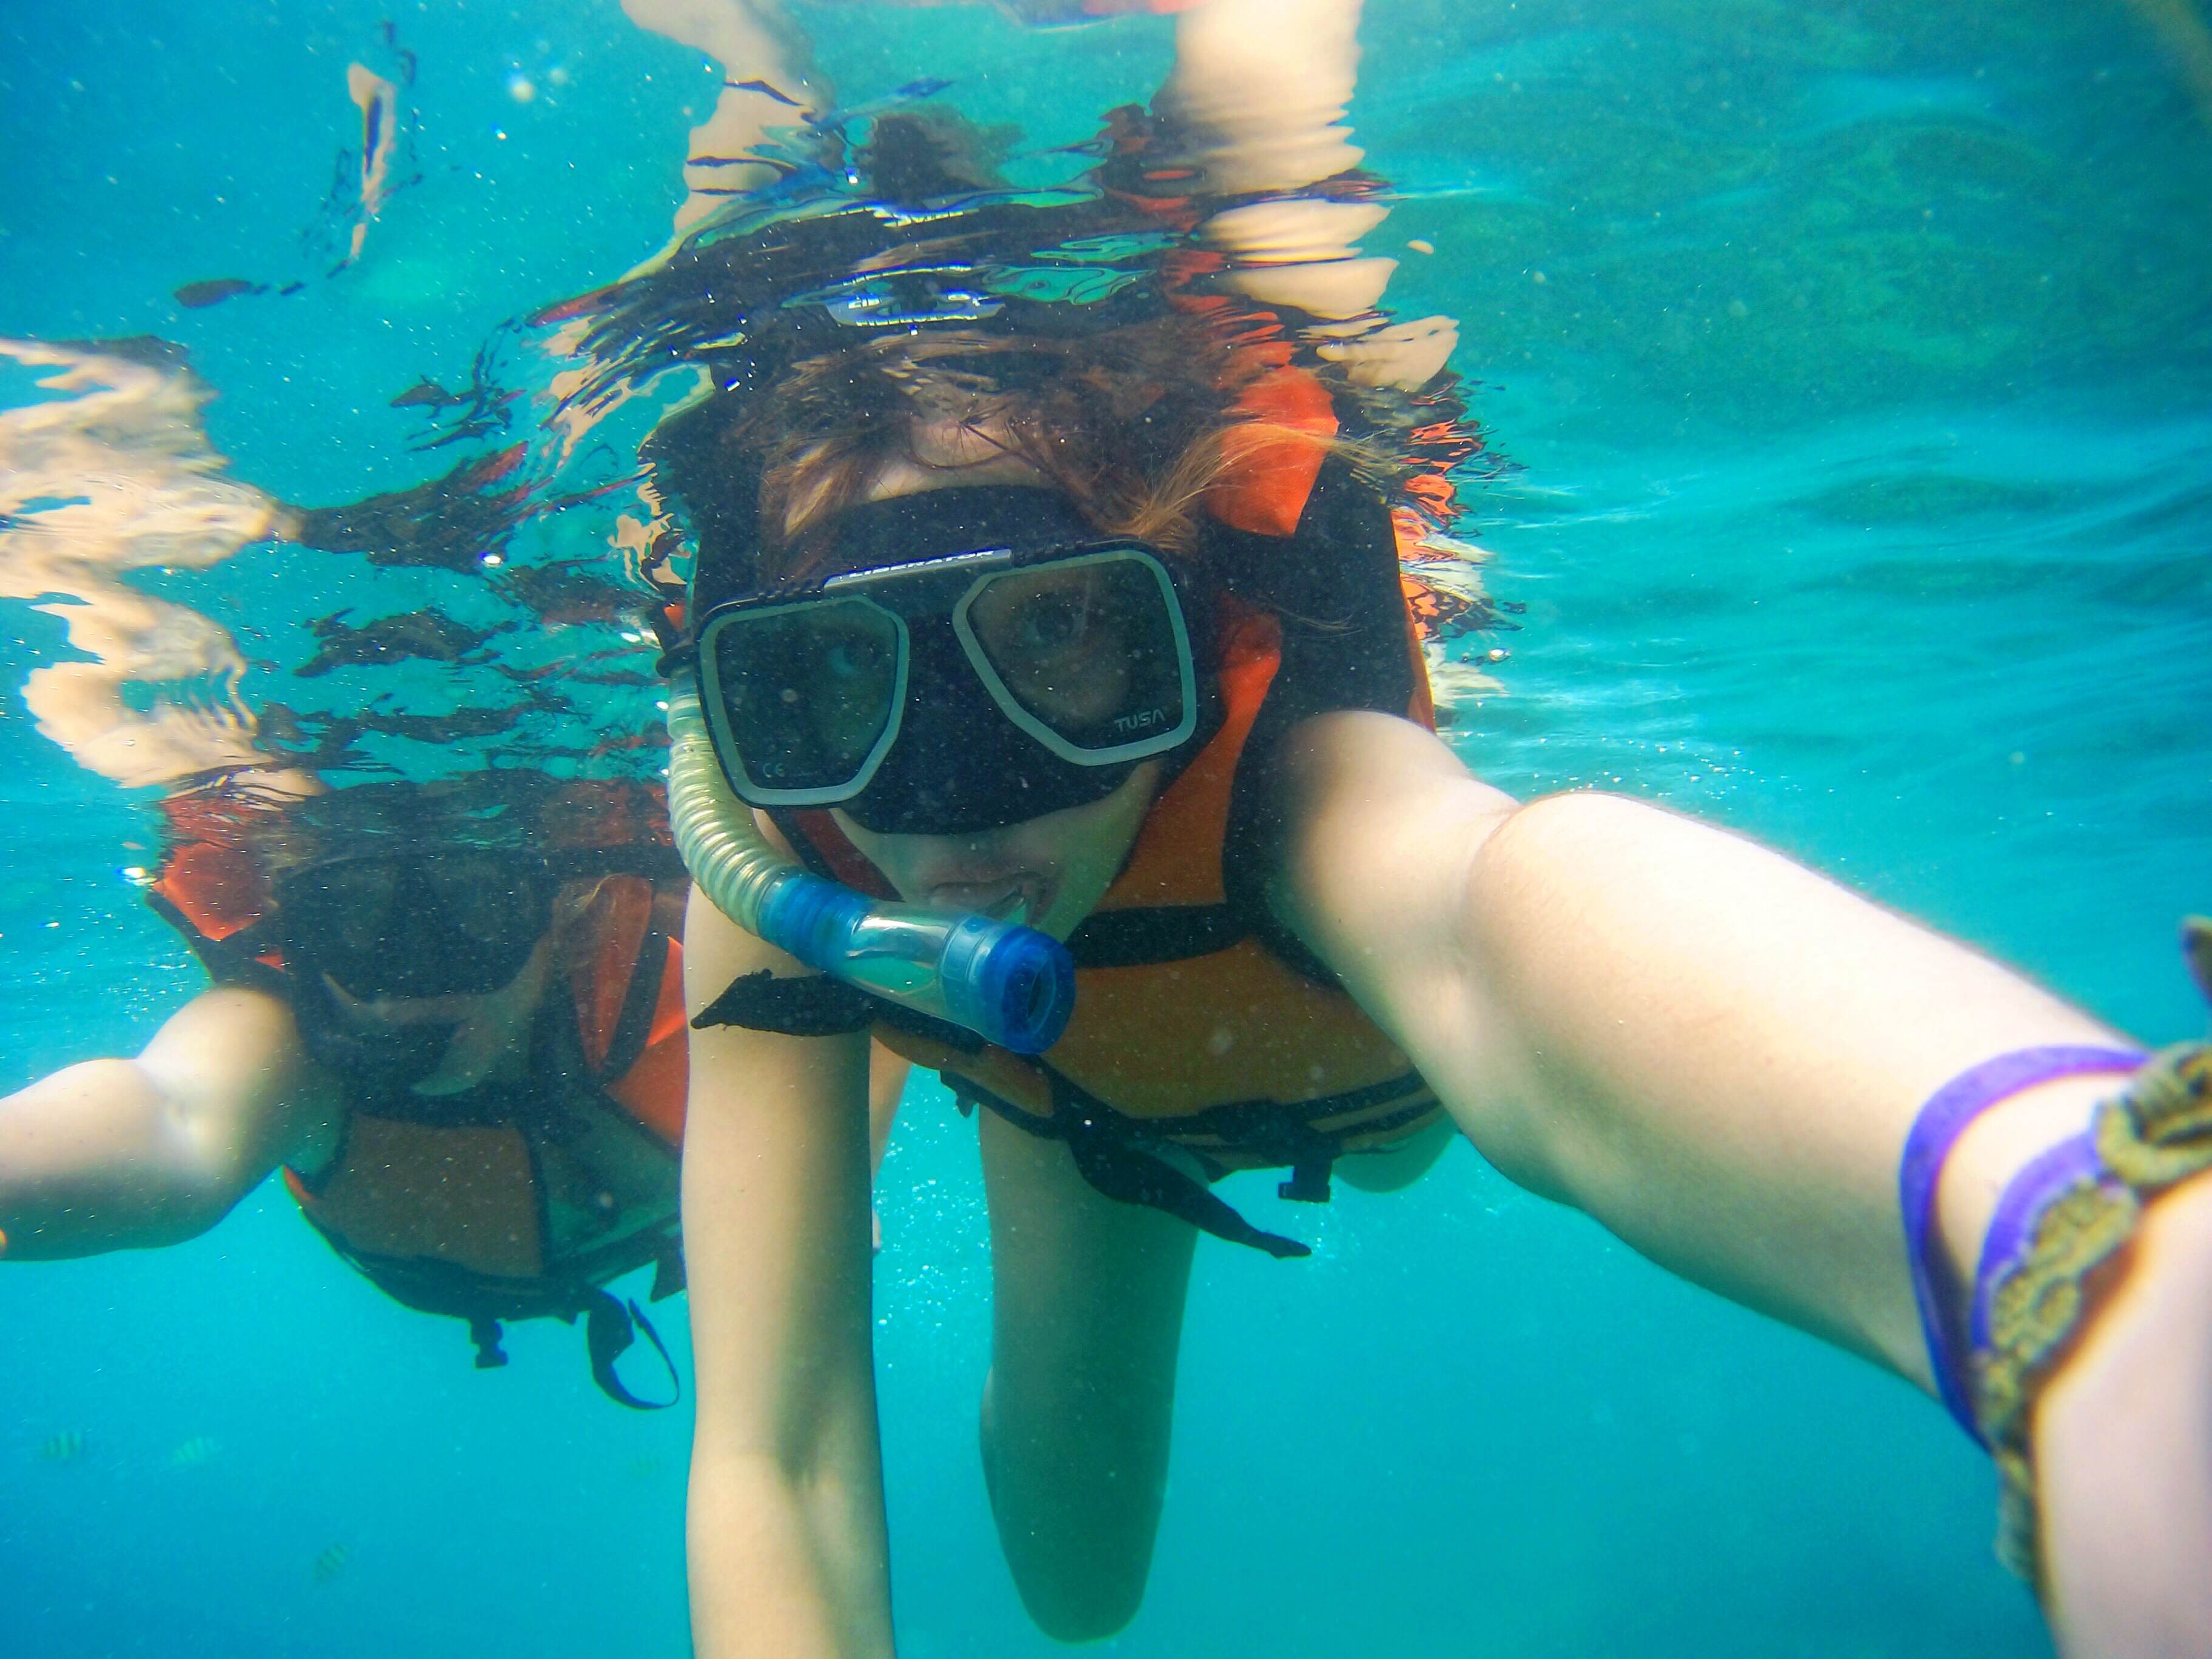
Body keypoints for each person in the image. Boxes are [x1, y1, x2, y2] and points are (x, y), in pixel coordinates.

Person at [610, 138, 2212, 1659]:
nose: (956, 793)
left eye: (1057, 645)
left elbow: (1488, 924)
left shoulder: (1302, 782)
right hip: (1079, 1108)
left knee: (1372, 1175)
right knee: (1074, 1580)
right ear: (739, 698)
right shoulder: (765, 868)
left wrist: (2080, 1258)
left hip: (1368, 1059)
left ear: (1186, 621)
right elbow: (781, 1454)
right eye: (830, 682)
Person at [0, 774, 908, 1404]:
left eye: (476, 908)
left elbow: (873, 1017)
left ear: (561, 910)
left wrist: (838, 1173)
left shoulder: (696, 975)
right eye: (354, 918)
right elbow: (166, 1119)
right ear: (298, 930)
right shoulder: (289, 1051)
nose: (417, 973)